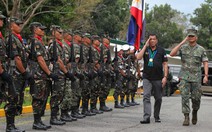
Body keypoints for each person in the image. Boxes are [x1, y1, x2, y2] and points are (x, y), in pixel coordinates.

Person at [170, 29, 208, 126]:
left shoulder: (201, 49)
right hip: (184, 77)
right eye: (189, 36)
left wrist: (206, 76)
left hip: (196, 78)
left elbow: (205, 62)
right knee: (185, 97)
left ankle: (195, 111)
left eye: (192, 36)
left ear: (196, 37)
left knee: (196, 98)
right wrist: (182, 42)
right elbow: (172, 54)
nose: (190, 38)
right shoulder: (183, 48)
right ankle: (186, 116)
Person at [28, 22, 57, 130]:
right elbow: (40, 60)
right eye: (41, 29)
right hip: (38, 75)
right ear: (35, 29)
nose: (43, 31)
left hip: (41, 75)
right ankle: (36, 122)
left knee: (42, 98)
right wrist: (49, 73)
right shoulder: (35, 42)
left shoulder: (39, 42)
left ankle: (39, 120)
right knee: (38, 98)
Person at [136, 33, 168, 124]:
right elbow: (138, 57)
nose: (152, 41)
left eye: (154, 39)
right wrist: (145, 45)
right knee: (146, 96)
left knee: (158, 98)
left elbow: (165, 64)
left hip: (158, 78)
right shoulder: (146, 49)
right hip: (147, 77)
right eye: (150, 39)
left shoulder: (161, 50)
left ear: (156, 40)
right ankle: (146, 117)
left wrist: (165, 77)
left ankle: (156, 115)